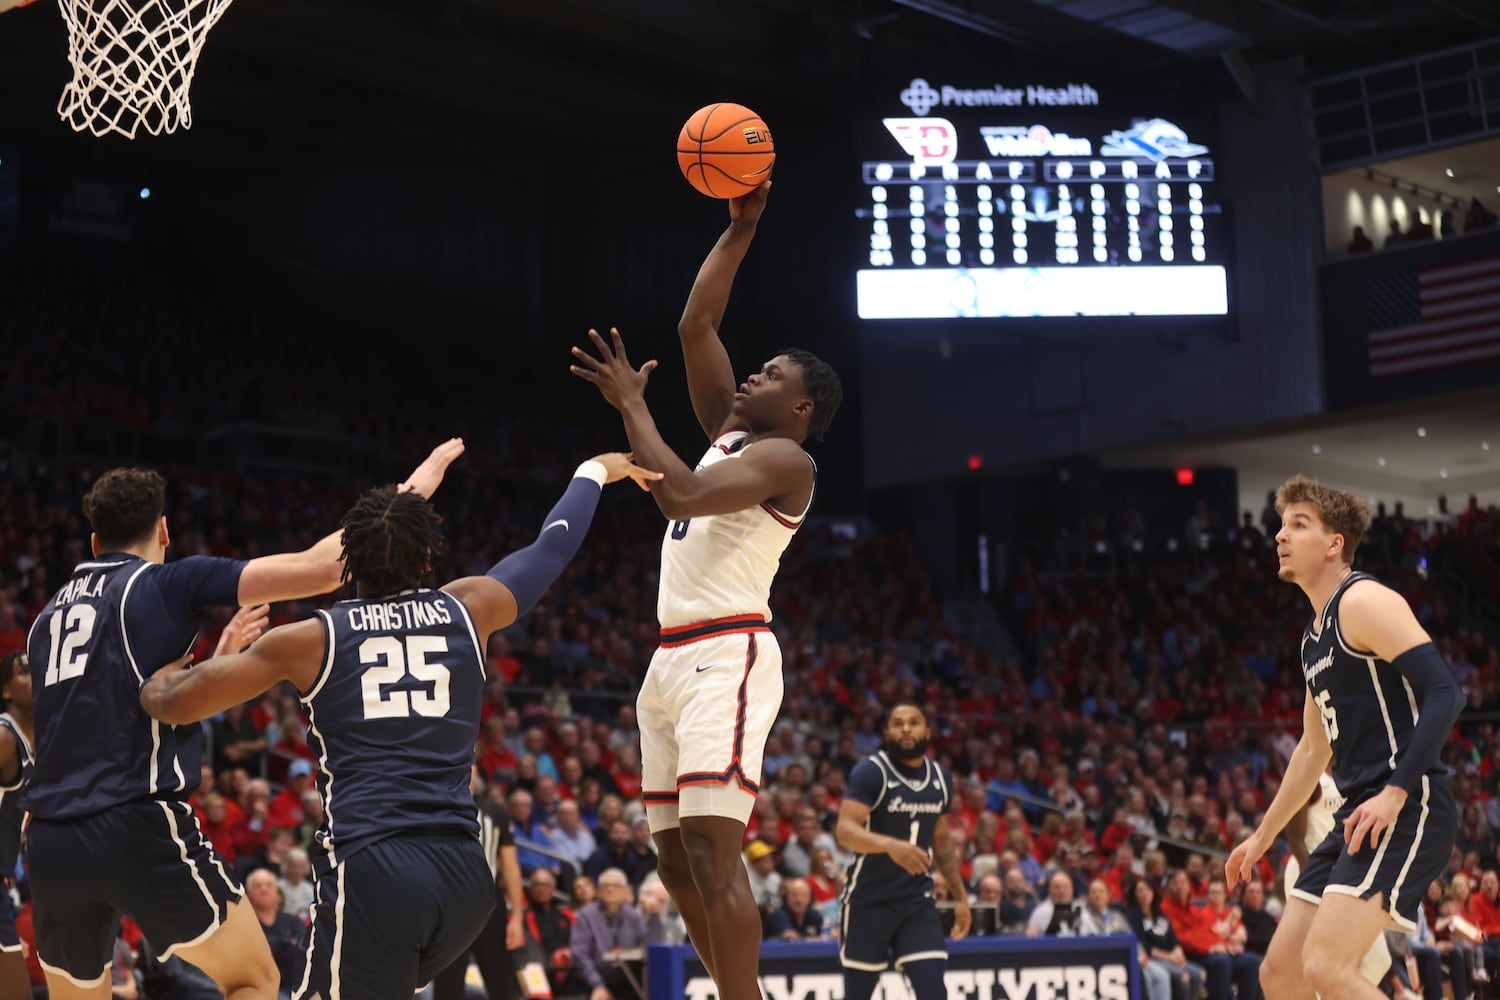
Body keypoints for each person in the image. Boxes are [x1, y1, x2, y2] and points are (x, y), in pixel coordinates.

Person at [139, 450, 660, 998]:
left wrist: (168, 672)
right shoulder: (469, 606)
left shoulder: (312, 638)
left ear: (348, 560)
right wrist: (595, 471)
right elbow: (552, 546)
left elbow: (173, 704)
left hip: (376, 867)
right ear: (427, 555)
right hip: (464, 875)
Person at [25, 440, 463, 1000]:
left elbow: (95, 717)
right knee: (254, 979)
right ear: (163, 531)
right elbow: (327, 567)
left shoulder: (45, 620)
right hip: (131, 821)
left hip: (52, 841)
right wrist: (416, 486)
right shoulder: (164, 582)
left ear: (93, 541)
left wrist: (218, 665)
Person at [569, 180, 842, 1000]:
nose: (750, 376)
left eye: (769, 375)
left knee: (718, 856)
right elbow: (698, 324)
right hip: (671, 660)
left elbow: (679, 494)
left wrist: (632, 408)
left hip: (729, 651)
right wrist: (743, 227)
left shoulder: (789, 463)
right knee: (675, 860)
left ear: (799, 405)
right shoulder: (731, 431)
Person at [1227, 475, 1465, 1000]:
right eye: (1281, 525)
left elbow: (1446, 693)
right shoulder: (1314, 639)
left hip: (1408, 803)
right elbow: (1313, 751)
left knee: (1327, 969)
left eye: (1298, 524)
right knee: (1280, 975)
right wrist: (1261, 837)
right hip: (1357, 811)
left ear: (1334, 543)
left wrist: (1395, 791)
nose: (1279, 536)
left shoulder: (1363, 600)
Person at [833, 704, 968, 1000]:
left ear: (927, 732)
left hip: (917, 900)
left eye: (913, 722)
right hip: (868, 901)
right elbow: (844, 831)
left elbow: (941, 840)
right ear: (887, 733)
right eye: (897, 724)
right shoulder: (871, 772)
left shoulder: (941, 778)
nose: (906, 729)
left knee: (933, 991)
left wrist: (960, 897)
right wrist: (889, 845)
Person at [432, 766, 527, 1000]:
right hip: (450, 908)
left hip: (490, 906)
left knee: (502, 985)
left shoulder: (495, 812)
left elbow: (511, 867)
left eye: (471, 765)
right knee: (447, 988)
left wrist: (517, 917)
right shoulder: (437, 811)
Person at [0, 651, 33, 1000]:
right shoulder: (5, 737)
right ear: (7, 690)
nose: (36, 677)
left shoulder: (35, 743)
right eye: (25, 673)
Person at [570, 868, 648, 1000]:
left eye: (616, 886)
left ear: (625, 890)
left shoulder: (634, 916)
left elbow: (646, 948)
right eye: (606, 886)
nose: (610, 889)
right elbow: (580, 954)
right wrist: (597, 985)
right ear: (598, 890)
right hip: (591, 982)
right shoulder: (586, 915)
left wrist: (654, 915)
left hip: (628, 982)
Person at [244, 869, 305, 999]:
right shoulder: (243, 925)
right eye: (257, 885)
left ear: (278, 893)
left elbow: (302, 952)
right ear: (248, 894)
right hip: (259, 991)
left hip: (296, 986)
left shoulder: (293, 922)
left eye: (269, 885)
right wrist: (287, 944)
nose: (264, 889)